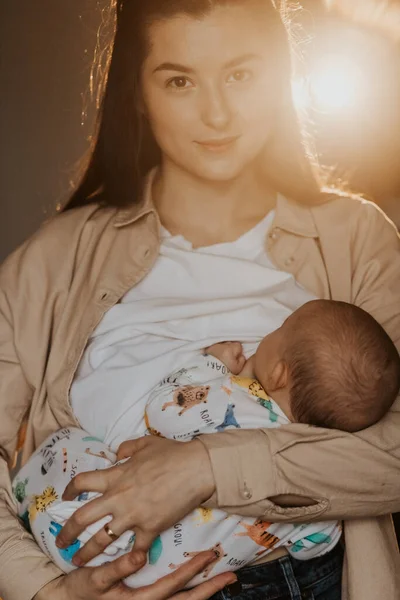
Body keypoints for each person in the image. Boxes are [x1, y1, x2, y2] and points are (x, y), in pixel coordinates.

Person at [0, 0, 400, 599]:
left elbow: (392, 451)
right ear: (137, 91)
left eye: (240, 75)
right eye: (180, 80)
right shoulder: (56, 257)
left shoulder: (355, 237)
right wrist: (45, 593)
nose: (217, 114)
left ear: (280, 76)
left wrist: (205, 467)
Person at [12, 300, 400, 590]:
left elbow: (164, 407)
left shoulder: (233, 398)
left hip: (92, 537)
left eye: (280, 327)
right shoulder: (315, 483)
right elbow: (318, 544)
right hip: (165, 577)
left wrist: (212, 365)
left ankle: (25, 493)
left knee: (70, 444)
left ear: (278, 373)